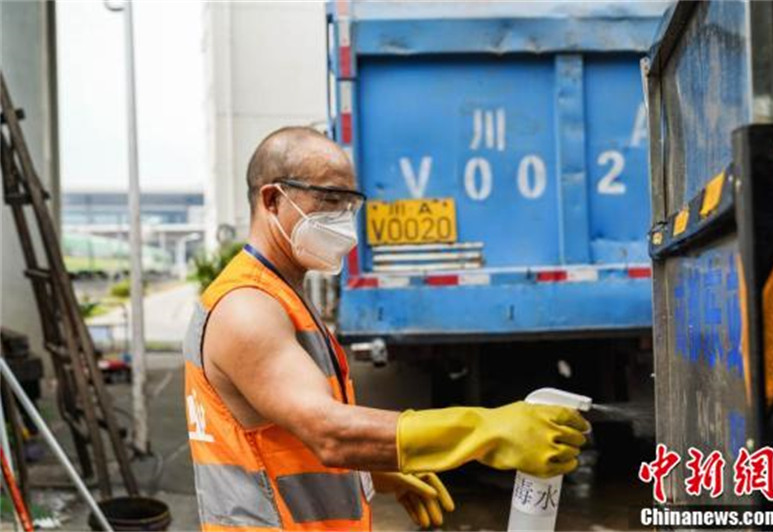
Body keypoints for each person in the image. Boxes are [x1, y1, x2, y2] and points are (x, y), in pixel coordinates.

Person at [183, 126, 589, 531]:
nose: (343, 221)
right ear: (273, 199)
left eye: (349, 205)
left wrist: (373, 471)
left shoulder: (282, 294)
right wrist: (486, 430)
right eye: (329, 200)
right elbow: (328, 431)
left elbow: (283, 441)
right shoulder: (246, 309)